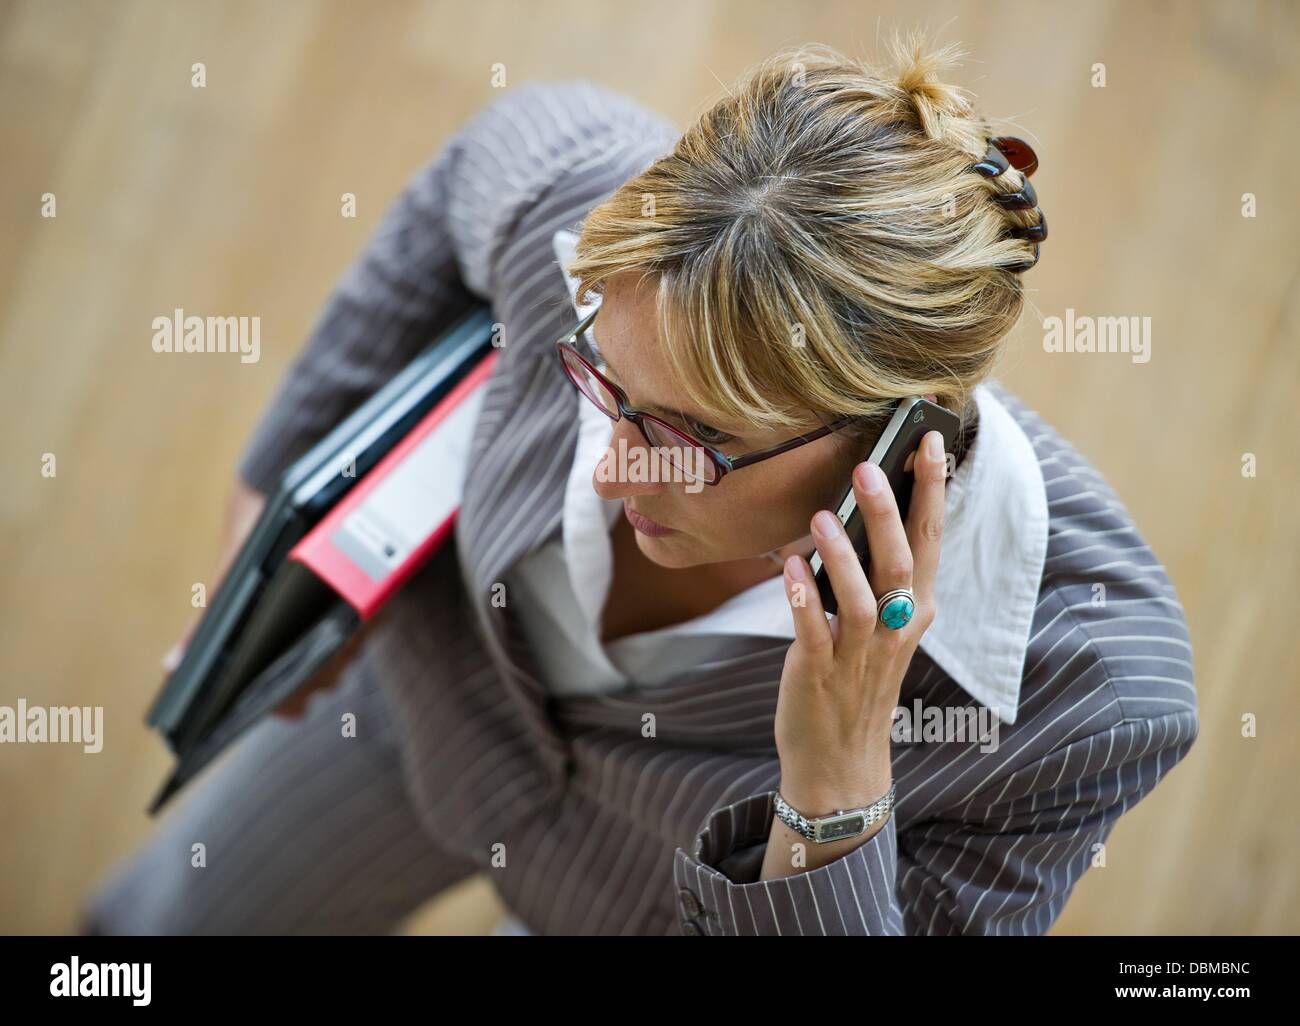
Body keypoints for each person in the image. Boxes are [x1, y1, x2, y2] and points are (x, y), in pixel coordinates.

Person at [80, 37, 1198, 936]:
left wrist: (836, 791)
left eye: (695, 438)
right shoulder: (566, 206)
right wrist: (266, 544)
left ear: (901, 435)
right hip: (413, 712)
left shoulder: (1096, 696)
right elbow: (464, 183)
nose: (613, 467)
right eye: (602, 380)